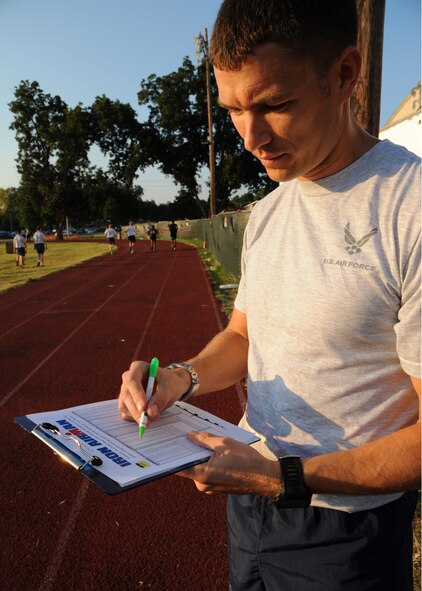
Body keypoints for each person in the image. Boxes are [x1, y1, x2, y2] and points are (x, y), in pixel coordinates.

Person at [118, 2, 421, 590]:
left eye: (274, 104)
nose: (251, 137)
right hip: (249, 502)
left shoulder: (409, 208)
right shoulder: (269, 210)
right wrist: (180, 376)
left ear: (344, 74)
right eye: (233, 109)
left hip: (347, 533)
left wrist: (288, 477)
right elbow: (243, 335)